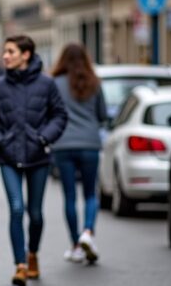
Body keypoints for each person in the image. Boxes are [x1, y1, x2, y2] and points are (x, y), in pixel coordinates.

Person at [0, 35, 68, 284]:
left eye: (10, 52)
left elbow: (59, 115)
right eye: (5, 51)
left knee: (36, 214)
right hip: (8, 156)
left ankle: (33, 255)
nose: (5, 56)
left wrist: (44, 138)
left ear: (25, 55)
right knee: (17, 209)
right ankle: (19, 264)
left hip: (38, 156)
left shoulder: (47, 84)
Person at [49, 43, 107, 264]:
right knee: (91, 193)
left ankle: (75, 245)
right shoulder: (94, 83)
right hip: (90, 144)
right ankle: (88, 233)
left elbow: (50, 114)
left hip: (63, 145)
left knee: (70, 196)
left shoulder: (54, 84)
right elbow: (102, 115)